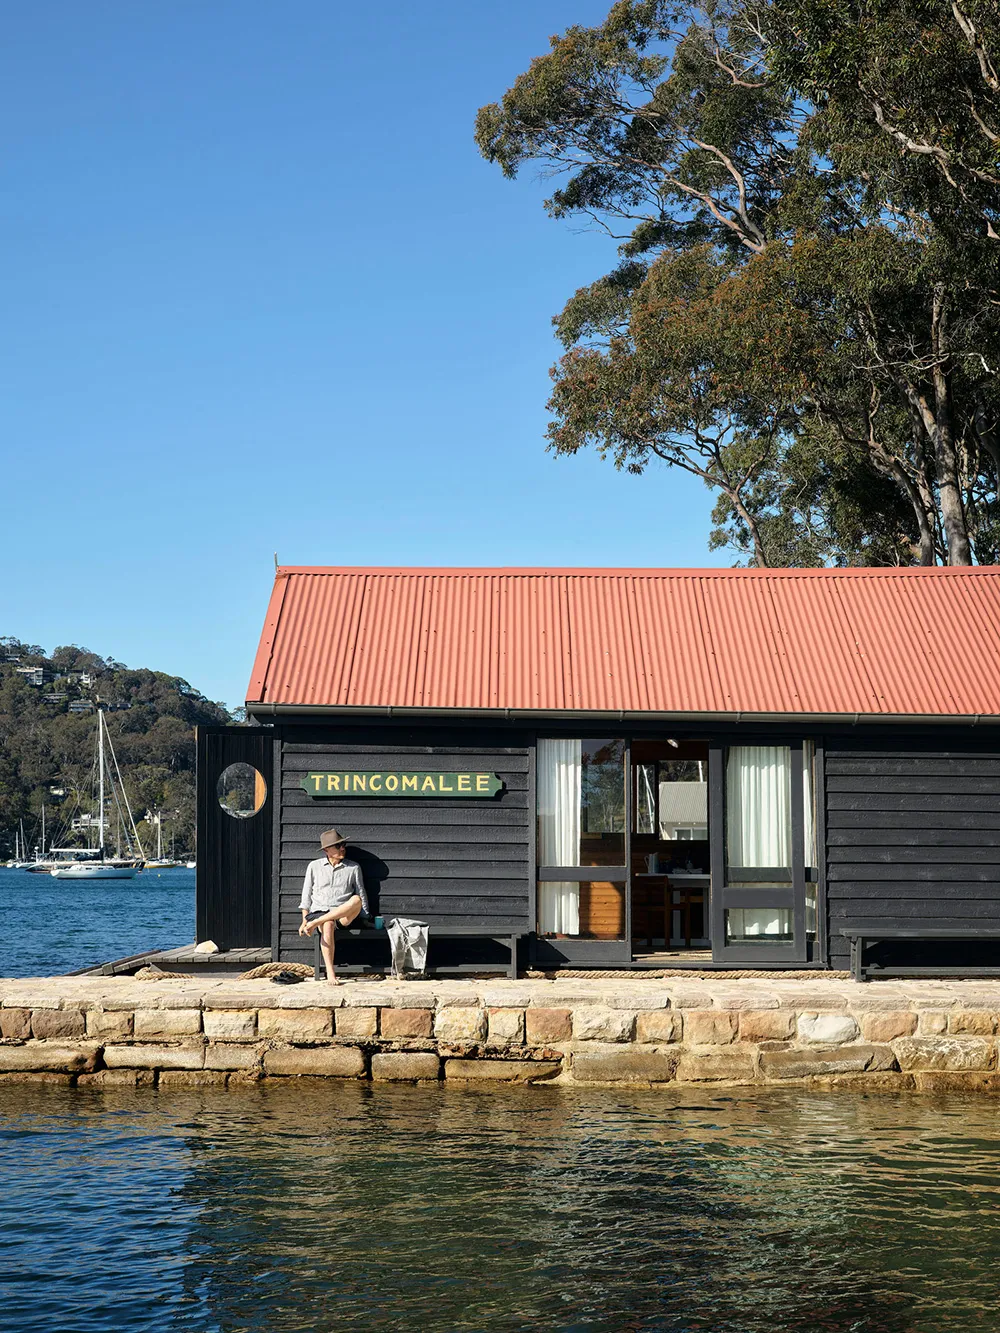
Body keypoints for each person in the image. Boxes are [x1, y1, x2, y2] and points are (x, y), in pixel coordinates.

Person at [298, 829, 368, 983]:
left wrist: (365, 917)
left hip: (342, 914)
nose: (342, 848)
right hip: (318, 912)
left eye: (343, 845)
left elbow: (361, 893)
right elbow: (306, 896)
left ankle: (317, 922)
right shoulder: (314, 866)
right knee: (328, 924)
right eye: (338, 846)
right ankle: (331, 973)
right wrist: (305, 920)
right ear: (326, 850)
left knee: (356, 899)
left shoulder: (353, 867)